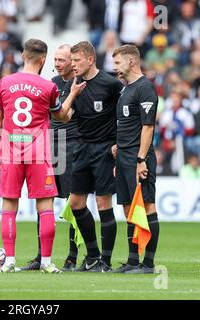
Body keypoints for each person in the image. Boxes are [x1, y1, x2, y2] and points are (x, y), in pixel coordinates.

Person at [0, 39, 78, 273]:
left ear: (22, 56)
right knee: (45, 207)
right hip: (39, 153)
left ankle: (9, 261)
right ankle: (47, 262)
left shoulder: (4, 83)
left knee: (9, 206)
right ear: (43, 60)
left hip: (10, 151)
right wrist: (73, 95)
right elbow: (61, 116)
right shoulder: (48, 87)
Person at [18, 44, 81, 272]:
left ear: (72, 61)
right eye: (55, 59)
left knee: (73, 203)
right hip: (48, 145)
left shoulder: (79, 83)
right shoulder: (51, 83)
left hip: (71, 145)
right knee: (44, 200)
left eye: (61, 60)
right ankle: (41, 256)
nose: (57, 63)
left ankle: (73, 257)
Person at [63, 41, 123, 272]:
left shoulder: (110, 84)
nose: (72, 64)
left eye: (76, 60)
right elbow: (64, 117)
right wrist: (71, 94)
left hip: (104, 149)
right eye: (72, 60)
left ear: (90, 59)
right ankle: (93, 255)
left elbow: (126, 112)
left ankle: (105, 262)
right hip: (82, 147)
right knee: (76, 204)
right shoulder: (75, 85)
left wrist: (120, 141)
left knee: (102, 202)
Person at [112, 44, 160, 274]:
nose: (115, 68)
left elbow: (147, 128)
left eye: (118, 63)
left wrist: (141, 159)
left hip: (138, 157)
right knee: (128, 209)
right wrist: (118, 151)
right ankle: (132, 262)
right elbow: (126, 125)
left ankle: (148, 264)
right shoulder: (125, 90)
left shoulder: (145, 88)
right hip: (123, 157)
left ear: (131, 61)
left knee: (147, 206)